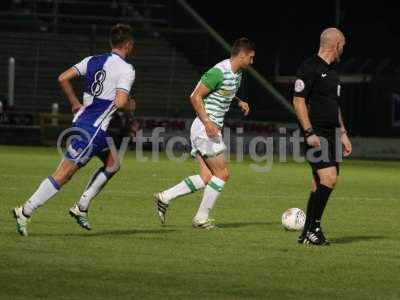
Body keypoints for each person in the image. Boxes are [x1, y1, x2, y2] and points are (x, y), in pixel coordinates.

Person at [12, 24, 136, 236]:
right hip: (93, 130)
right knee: (64, 174)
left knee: (113, 163)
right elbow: (121, 101)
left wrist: (74, 103)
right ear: (127, 44)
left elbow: (63, 77)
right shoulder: (126, 69)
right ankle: (25, 210)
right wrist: (129, 104)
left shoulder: (92, 60)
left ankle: (82, 206)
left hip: (85, 123)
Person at [154, 37, 255, 229]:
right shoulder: (218, 71)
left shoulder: (237, 74)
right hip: (205, 128)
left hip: (208, 128)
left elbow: (226, 91)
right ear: (242, 55)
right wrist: (207, 122)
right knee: (223, 174)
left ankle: (165, 197)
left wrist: (239, 101)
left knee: (206, 178)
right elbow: (195, 96)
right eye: (250, 57)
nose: (252, 61)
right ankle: (201, 218)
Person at [292, 27, 352, 245]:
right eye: (343, 45)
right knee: (329, 178)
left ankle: (306, 231)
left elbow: (334, 106)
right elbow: (298, 100)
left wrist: (343, 133)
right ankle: (314, 228)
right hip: (315, 134)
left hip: (333, 134)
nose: (343, 49)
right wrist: (308, 132)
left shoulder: (334, 73)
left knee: (319, 183)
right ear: (336, 44)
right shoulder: (310, 67)